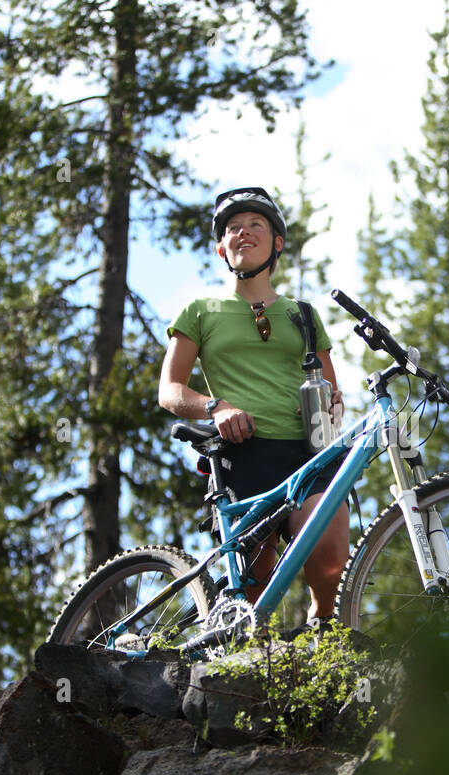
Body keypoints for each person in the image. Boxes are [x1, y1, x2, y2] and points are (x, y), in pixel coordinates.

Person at [158, 186, 349, 623]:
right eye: (233, 228)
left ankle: (325, 642)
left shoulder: (303, 314)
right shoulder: (200, 311)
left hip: (310, 452)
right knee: (254, 597)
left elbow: (333, 393)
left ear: (277, 243)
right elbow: (169, 390)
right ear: (221, 247)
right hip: (241, 454)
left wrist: (332, 406)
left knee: (330, 565)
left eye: (256, 225)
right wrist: (216, 408)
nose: (244, 233)